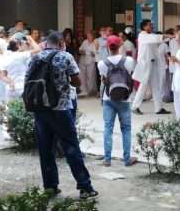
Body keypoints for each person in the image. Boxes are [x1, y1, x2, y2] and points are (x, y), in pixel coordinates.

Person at [27, 32, 98, 199]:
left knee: (45, 149)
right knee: (71, 147)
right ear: (60, 43)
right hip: (60, 109)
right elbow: (77, 82)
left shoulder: (35, 58)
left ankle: (50, 187)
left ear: (46, 43)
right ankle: (85, 187)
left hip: (40, 109)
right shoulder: (65, 57)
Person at [98, 35, 138, 167]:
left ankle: (107, 159)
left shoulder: (102, 63)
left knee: (108, 128)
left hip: (108, 99)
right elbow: (130, 74)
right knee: (126, 129)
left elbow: (103, 79)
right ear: (120, 45)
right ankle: (127, 159)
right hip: (125, 99)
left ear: (108, 47)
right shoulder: (129, 61)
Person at [131, 20, 171, 115]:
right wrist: (170, 35)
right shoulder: (142, 35)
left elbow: (158, 40)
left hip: (152, 64)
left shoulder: (150, 36)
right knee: (143, 86)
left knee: (156, 86)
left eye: (151, 25)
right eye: (149, 25)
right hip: (146, 65)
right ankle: (134, 107)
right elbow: (156, 38)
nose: (152, 26)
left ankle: (159, 108)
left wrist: (169, 37)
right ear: (144, 27)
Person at [2, 35, 41, 100]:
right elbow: (38, 49)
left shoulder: (5, 57)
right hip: (22, 87)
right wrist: (31, 39)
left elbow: (2, 75)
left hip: (10, 88)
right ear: (18, 45)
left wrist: (10, 82)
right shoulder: (21, 55)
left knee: (11, 106)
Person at [77, 30, 98, 96]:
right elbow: (80, 50)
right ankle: (83, 90)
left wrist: (93, 53)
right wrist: (81, 51)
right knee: (82, 76)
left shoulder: (95, 42)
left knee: (90, 76)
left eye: (89, 36)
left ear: (93, 36)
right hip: (83, 60)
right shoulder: (85, 41)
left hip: (91, 61)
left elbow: (97, 53)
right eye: (87, 36)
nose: (88, 37)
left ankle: (89, 91)